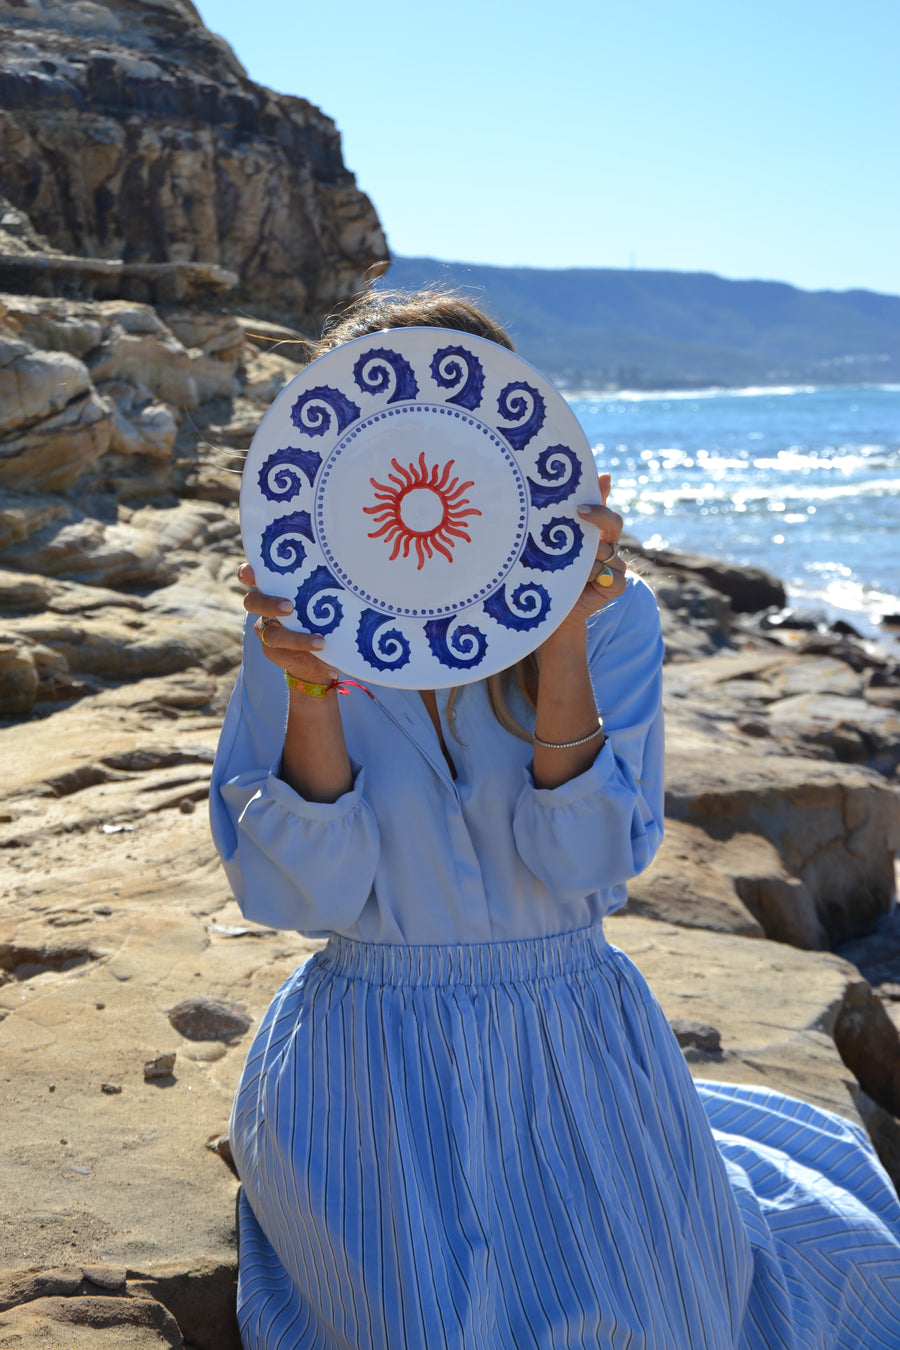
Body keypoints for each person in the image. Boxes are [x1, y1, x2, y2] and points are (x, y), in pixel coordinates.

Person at [211, 289, 900, 1350]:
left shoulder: (614, 616)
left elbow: (586, 863)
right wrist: (311, 689)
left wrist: (563, 635)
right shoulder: (297, 624)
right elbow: (304, 895)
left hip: (572, 1038)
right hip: (370, 1060)